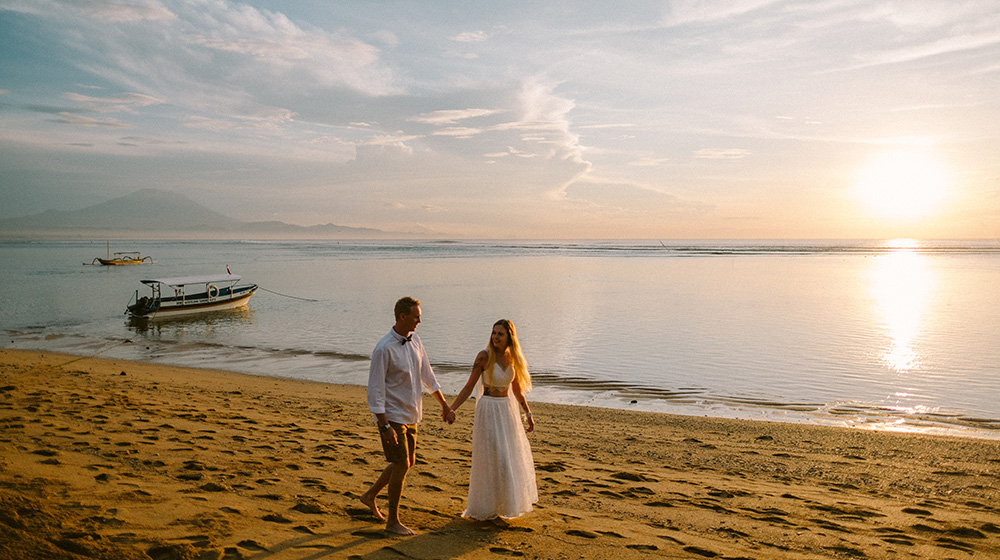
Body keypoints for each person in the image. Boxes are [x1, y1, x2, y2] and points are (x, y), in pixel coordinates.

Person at [360, 297, 455, 536]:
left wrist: (444, 404)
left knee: (406, 462)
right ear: (402, 317)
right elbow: (375, 391)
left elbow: (428, 375)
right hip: (391, 417)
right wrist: (384, 426)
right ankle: (393, 522)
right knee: (401, 464)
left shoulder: (416, 341)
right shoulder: (383, 349)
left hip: (412, 413)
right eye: (416, 316)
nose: (420, 320)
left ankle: (370, 495)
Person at [450, 319, 538, 526]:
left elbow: (516, 390)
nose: (495, 337)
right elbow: (469, 386)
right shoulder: (484, 357)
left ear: (509, 337)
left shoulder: (512, 358)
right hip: (488, 409)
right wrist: (452, 408)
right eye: (493, 333)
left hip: (506, 410)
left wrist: (528, 413)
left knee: (507, 457)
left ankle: (502, 507)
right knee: (491, 458)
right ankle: (488, 511)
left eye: (500, 334)